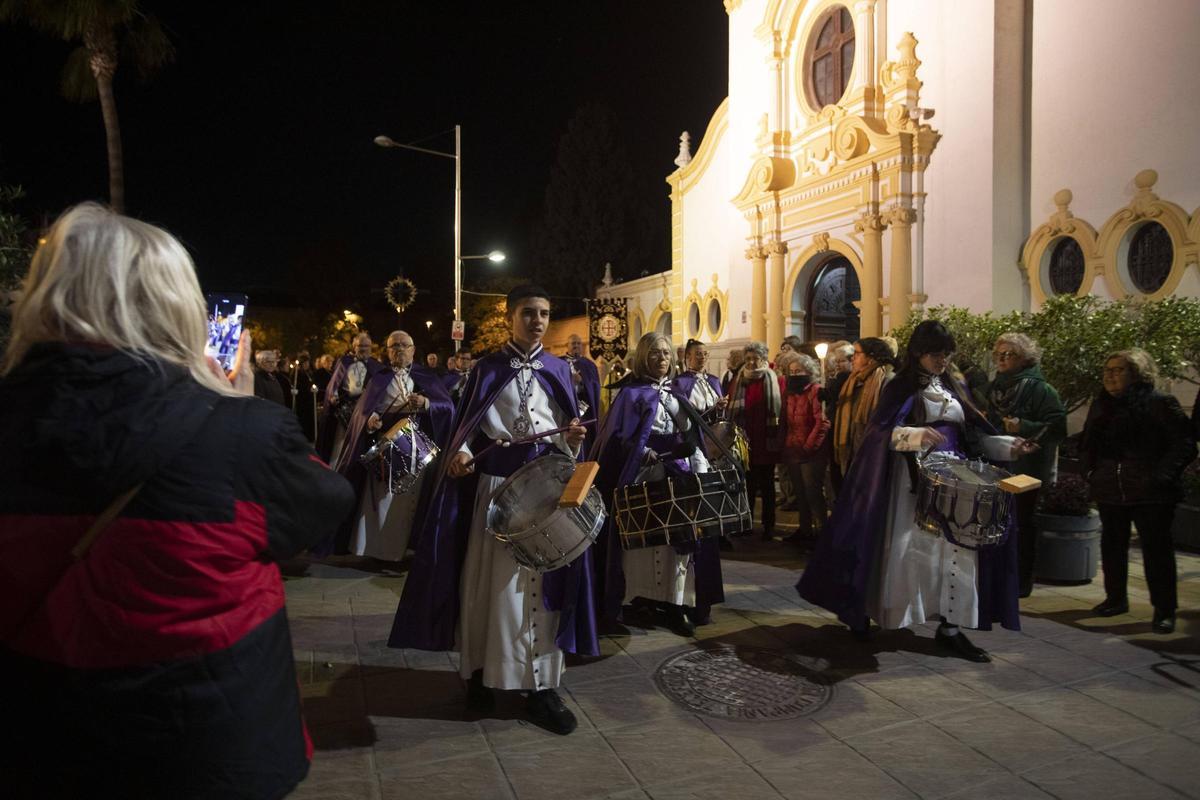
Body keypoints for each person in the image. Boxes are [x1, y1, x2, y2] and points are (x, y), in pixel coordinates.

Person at [0, 203, 355, 799]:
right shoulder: (238, 433)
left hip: (38, 741)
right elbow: (321, 504)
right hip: (202, 747)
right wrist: (229, 399)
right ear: (172, 304)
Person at [389, 285, 595, 736]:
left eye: (543, 313)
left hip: (546, 492)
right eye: (528, 313)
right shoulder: (486, 369)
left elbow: (566, 433)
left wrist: (571, 440)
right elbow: (464, 424)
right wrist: (460, 451)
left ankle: (541, 688)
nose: (537, 320)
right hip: (496, 490)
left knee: (542, 588)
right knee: (491, 586)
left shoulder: (560, 369)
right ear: (510, 317)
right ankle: (481, 676)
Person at [798, 320, 1035, 662]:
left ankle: (951, 628)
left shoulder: (953, 385)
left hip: (955, 480)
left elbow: (974, 436)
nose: (942, 360)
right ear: (919, 354)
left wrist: (1011, 446)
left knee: (955, 554)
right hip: (908, 484)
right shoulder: (899, 387)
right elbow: (879, 434)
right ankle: (867, 611)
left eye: (946, 354)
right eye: (935, 354)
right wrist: (914, 435)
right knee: (901, 551)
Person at [593, 333, 725, 636]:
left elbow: (690, 436)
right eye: (654, 353)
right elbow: (617, 438)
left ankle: (675, 603)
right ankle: (637, 600)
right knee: (641, 544)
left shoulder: (677, 392)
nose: (661, 359)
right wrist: (641, 453)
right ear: (643, 357)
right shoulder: (630, 394)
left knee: (677, 546)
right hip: (640, 477)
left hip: (676, 476)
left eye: (666, 353)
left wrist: (698, 467)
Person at [1080, 348, 1196, 634]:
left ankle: (1164, 609)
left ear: (1137, 373)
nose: (1110, 375)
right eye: (1107, 370)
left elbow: (1183, 444)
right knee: (1112, 546)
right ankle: (1116, 599)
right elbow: (1088, 442)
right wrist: (1091, 471)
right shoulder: (1102, 405)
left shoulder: (1159, 403)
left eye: (1119, 370)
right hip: (1110, 487)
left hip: (1150, 491)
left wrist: (1160, 476)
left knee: (1157, 551)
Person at [329, 330, 455, 561]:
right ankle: (375, 550)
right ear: (387, 352)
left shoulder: (426, 377)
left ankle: (401, 550)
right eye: (393, 346)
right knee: (380, 498)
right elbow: (362, 411)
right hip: (385, 442)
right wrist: (370, 419)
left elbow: (447, 408)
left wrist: (426, 403)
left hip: (414, 445)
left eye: (404, 345)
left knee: (407, 501)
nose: (399, 349)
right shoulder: (379, 377)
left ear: (413, 350)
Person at [984, 333, 1067, 597]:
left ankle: (1021, 580)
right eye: (999, 354)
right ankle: (998, 575)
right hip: (998, 464)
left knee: (1022, 523)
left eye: (1010, 354)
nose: (1003, 359)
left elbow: (1057, 426)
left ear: (1025, 358)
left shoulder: (1041, 389)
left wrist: (1024, 426)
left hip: (1027, 468)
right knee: (996, 521)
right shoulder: (994, 387)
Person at [728, 341, 785, 540]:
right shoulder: (739, 379)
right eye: (748, 358)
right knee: (747, 486)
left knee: (768, 487)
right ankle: (747, 522)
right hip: (745, 442)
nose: (752, 362)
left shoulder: (774, 378)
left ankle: (769, 526)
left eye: (756, 358)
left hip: (766, 441)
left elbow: (781, 409)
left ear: (764, 359)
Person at [831, 337, 896, 479]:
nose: (852, 358)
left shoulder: (886, 381)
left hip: (873, 451)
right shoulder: (854, 380)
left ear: (871, 357)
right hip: (853, 450)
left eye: (857, 353)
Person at [781, 354, 829, 543]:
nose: (794, 375)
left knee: (813, 493)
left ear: (809, 372)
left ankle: (822, 533)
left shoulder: (816, 391)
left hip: (811, 453)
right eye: (791, 371)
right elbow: (786, 420)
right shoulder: (790, 392)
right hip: (793, 449)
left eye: (798, 371)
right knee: (800, 493)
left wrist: (809, 447)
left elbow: (822, 422)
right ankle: (805, 530)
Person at [316, 333, 384, 465]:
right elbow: (334, 383)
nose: (364, 348)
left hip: (365, 411)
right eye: (360, 345)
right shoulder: (344, 362)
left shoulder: (376, 366)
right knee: (340, 444)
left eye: (367, 346)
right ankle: (336, 471)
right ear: (354, 346)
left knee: (359, 443)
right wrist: (333, 395)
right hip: (345, 408)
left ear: (371, 347)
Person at [564, 333, 601, 454]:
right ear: (567, 345)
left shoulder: (589, 365)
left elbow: (594, 386)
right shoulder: (558, 363)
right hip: (564, 409)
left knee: (584, 440)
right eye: (573, 343)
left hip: (584, 409)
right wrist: (569, 379)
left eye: (579, 343)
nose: (576, 346)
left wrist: (582, 382)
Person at [673, 338, 727, 418]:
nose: (703, 357)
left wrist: (720, 407)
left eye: (705, 354)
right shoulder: (680, 382)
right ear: (688, 356)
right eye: (698, 354)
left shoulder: (714, 380)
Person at [291, 350, 319, 442]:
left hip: (310, 401)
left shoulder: (309, 373)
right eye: (305, 363)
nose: (307, 365)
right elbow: (297, 385)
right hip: (302, 402)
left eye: (307, 362)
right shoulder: (297, 373)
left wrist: (314, 390)